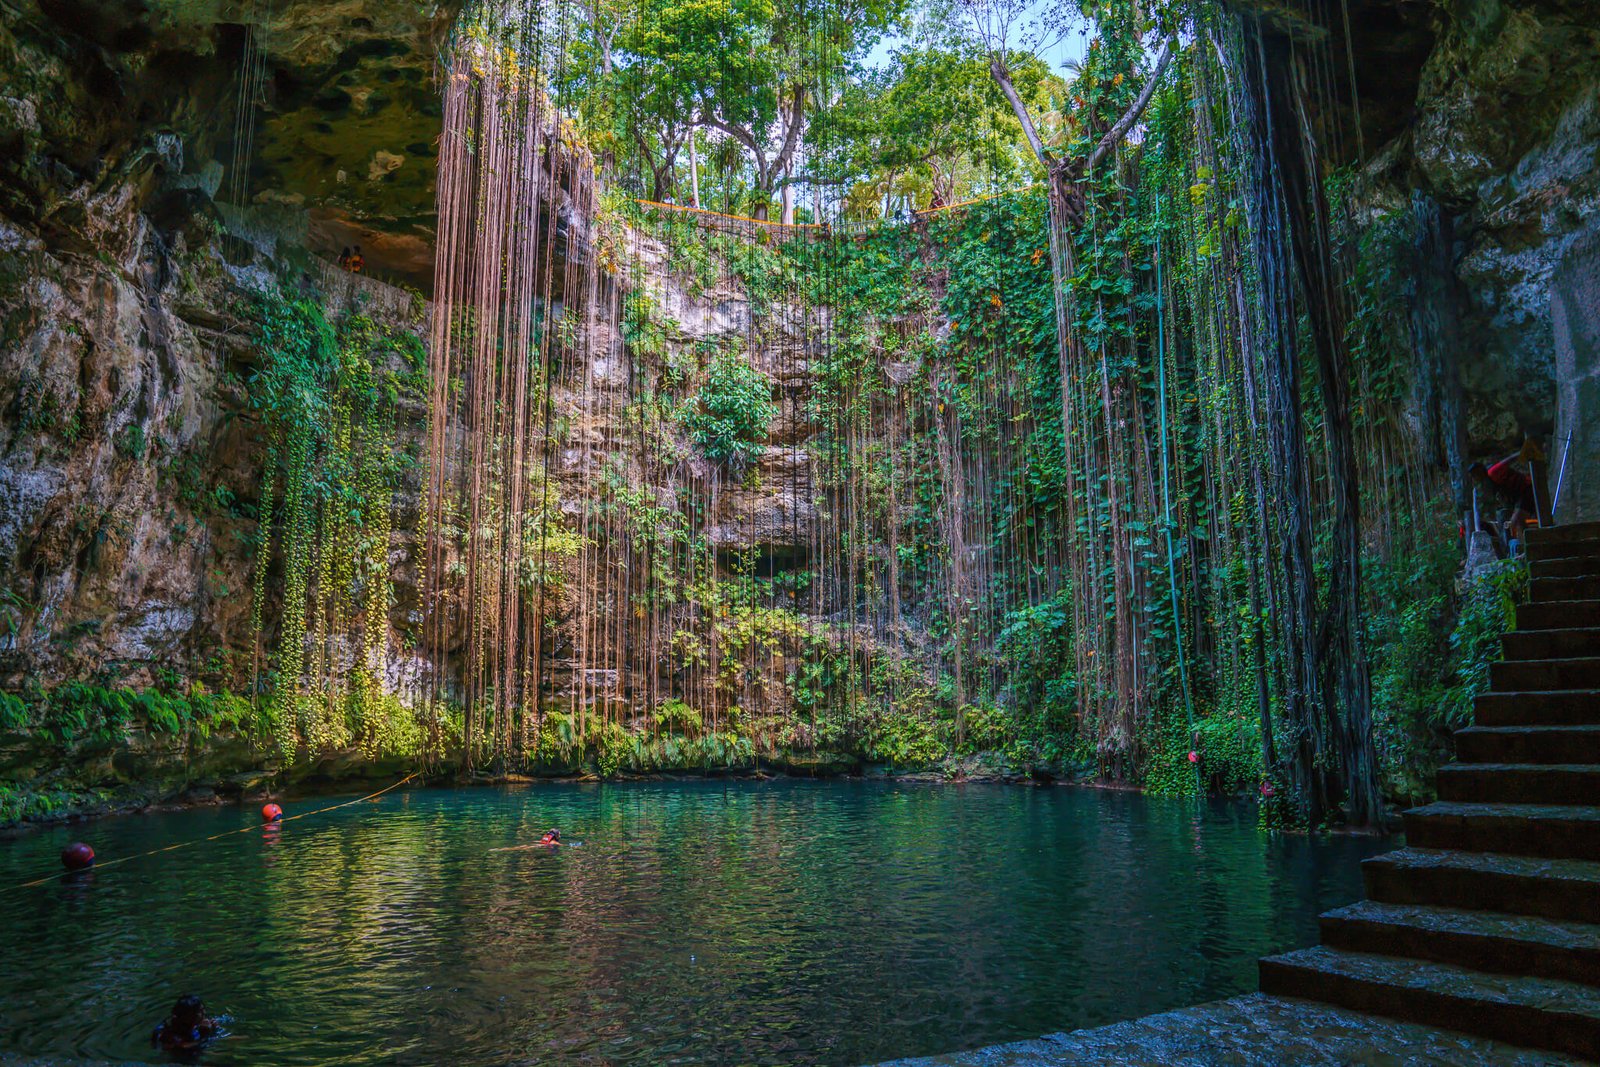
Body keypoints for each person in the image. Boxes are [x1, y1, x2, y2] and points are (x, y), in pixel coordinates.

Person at [1470, 449, 1537, 551]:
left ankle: (1527, 547)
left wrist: (1524, 452)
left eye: (1475, 474)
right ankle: (1527, 545)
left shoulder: (1493, 472)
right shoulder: (1487, 483)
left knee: (1517, 519)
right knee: (1517, 522)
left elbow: (1509, 460)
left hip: (1525, 489)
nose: (1475, 478)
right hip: (1518, 495)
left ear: (1480, 471)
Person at [152, 995, 218, 1055]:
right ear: (186, 1016)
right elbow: (182, 1047)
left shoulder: (189, 1023)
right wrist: (204, 1035)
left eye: (203, 1009)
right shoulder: (168, 1033)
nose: (204, 1013)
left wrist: (213, 1029)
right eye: (199, 1011)